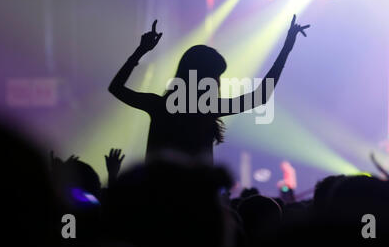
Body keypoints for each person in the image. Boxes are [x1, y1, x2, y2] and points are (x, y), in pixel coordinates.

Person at [109, 16, 309, 163]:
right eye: (216, 75)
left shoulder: (160, 105)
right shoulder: (207, 108)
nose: (217, 81)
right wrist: (286, 50)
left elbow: (116, 88)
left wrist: (141, 51)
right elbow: (260, 96)